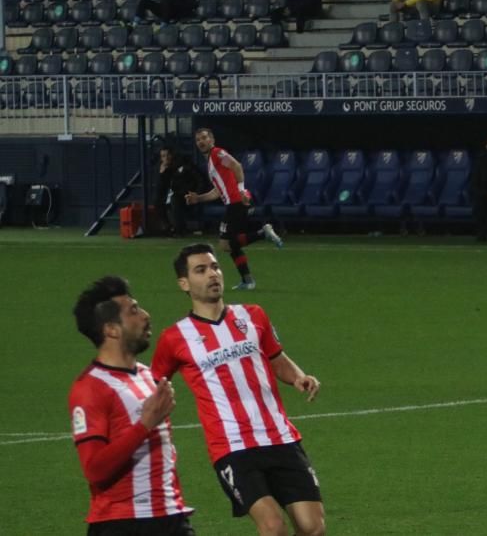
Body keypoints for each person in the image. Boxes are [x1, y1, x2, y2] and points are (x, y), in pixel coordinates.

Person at [152, 244, 325, 536]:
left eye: (215, 267)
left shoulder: (253, 315)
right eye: (201, 270)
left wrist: (298, 377)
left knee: (314, 527)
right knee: (273, 528)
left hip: (279, 436)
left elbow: (276, 358)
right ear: (184, 283)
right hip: (232, 446)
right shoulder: (174, 337)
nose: (212, 274)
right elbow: (154, 381)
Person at [69, 276, 194, 535]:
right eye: (134, 310)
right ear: (111, 329)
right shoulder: (90, 388)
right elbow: (95, 470)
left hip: (171, 516)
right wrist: (145, 423)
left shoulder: (147, 376)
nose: (146, 316)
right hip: (123, 524)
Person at [184, 128, 283, 290]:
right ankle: (248, 280)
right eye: (198, 140)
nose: (201, 142)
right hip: (233, 203)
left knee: (225, 244)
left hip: (236, 202)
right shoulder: (210, 162)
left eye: (204, 138)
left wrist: (242, 190)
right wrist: (198, 198)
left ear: (212, 140)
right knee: (231, 244)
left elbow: (237, 166)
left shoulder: (217, 153)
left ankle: (262, 234)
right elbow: (217, 191)